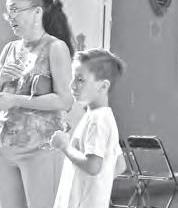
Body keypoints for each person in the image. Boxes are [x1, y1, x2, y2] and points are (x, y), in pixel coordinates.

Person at [0, 0, 75, 208]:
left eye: (15, 10)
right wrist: (1, 78)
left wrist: (16, 100)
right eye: (8, 12)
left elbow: (65, 100)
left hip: (40, 147)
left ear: (37, 12)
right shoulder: (9, 49)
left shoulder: (55, 47)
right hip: (3, 147)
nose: (10, 17)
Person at [50, 48, 125, 208]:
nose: (72, 85)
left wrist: (64, 146)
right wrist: (97, 187)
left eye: (80, 80)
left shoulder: (97, 120)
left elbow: (92, 166)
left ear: (103, 86)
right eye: (73, 78)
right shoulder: (100, 117)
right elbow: (120, 164)